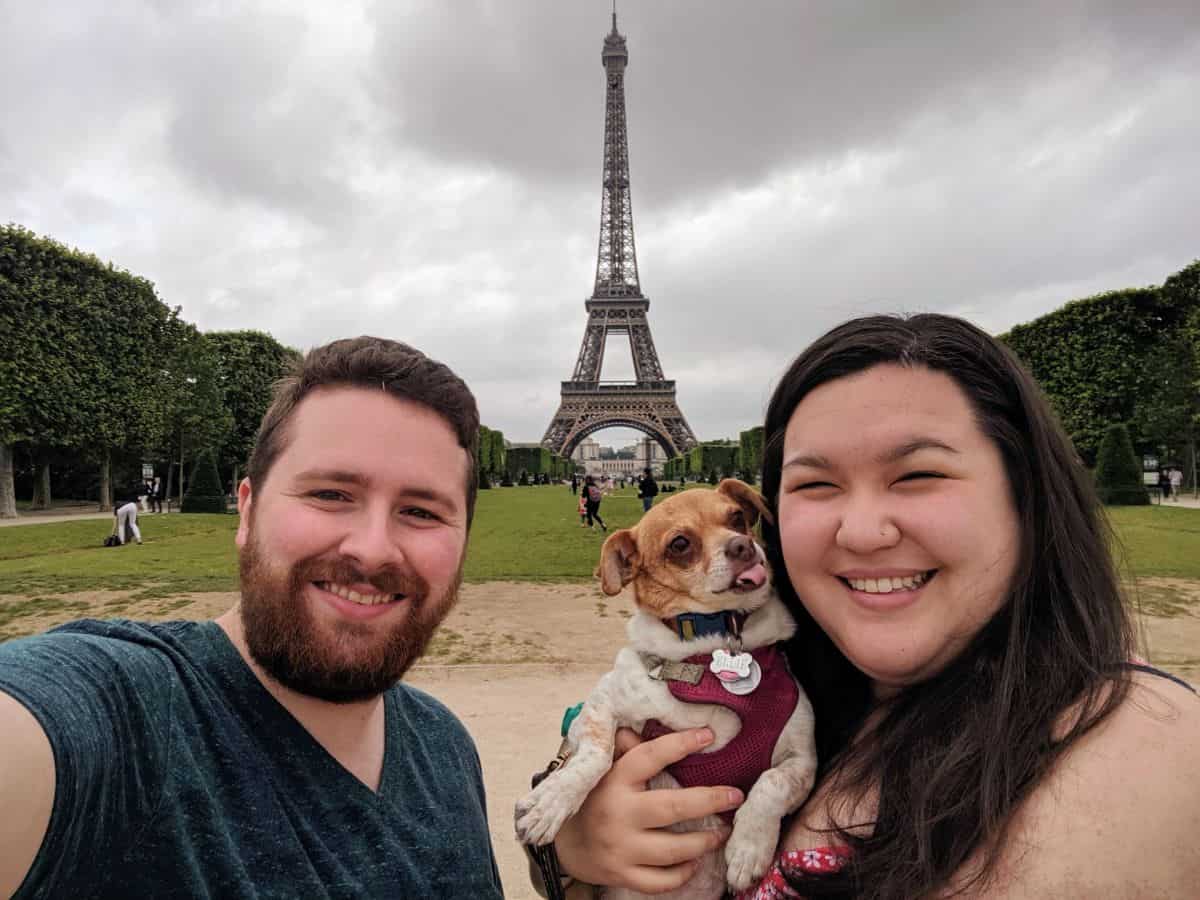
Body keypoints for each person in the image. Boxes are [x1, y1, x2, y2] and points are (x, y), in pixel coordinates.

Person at [538, 314, 1200, 898]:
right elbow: (595, 731)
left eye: (917, 475)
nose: (861, 531)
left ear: (1026, 494)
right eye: (816, 484)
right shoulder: (799, 668)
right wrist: (571, 844)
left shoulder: (1148, 746)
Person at [0, 336, 504, 898]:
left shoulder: (447, 746)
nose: (373, 550)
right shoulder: (125, 718)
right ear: (247, 510)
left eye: (421, 511)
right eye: (331, 493)